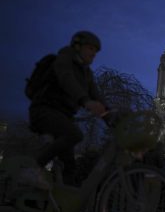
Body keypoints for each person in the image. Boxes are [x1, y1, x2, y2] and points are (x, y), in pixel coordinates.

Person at [24, 31, 107, 188]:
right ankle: (32, 169)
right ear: (77, 47)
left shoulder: (86, 73)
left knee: (70, 165)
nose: (93, 53)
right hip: (44, 111)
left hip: (63, 117)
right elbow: (67, 80)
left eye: (95, 51)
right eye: (90, 48)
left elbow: (97, 95)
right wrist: (85, 101)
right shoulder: (64, 60)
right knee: (74, 134)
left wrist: (111, 114)